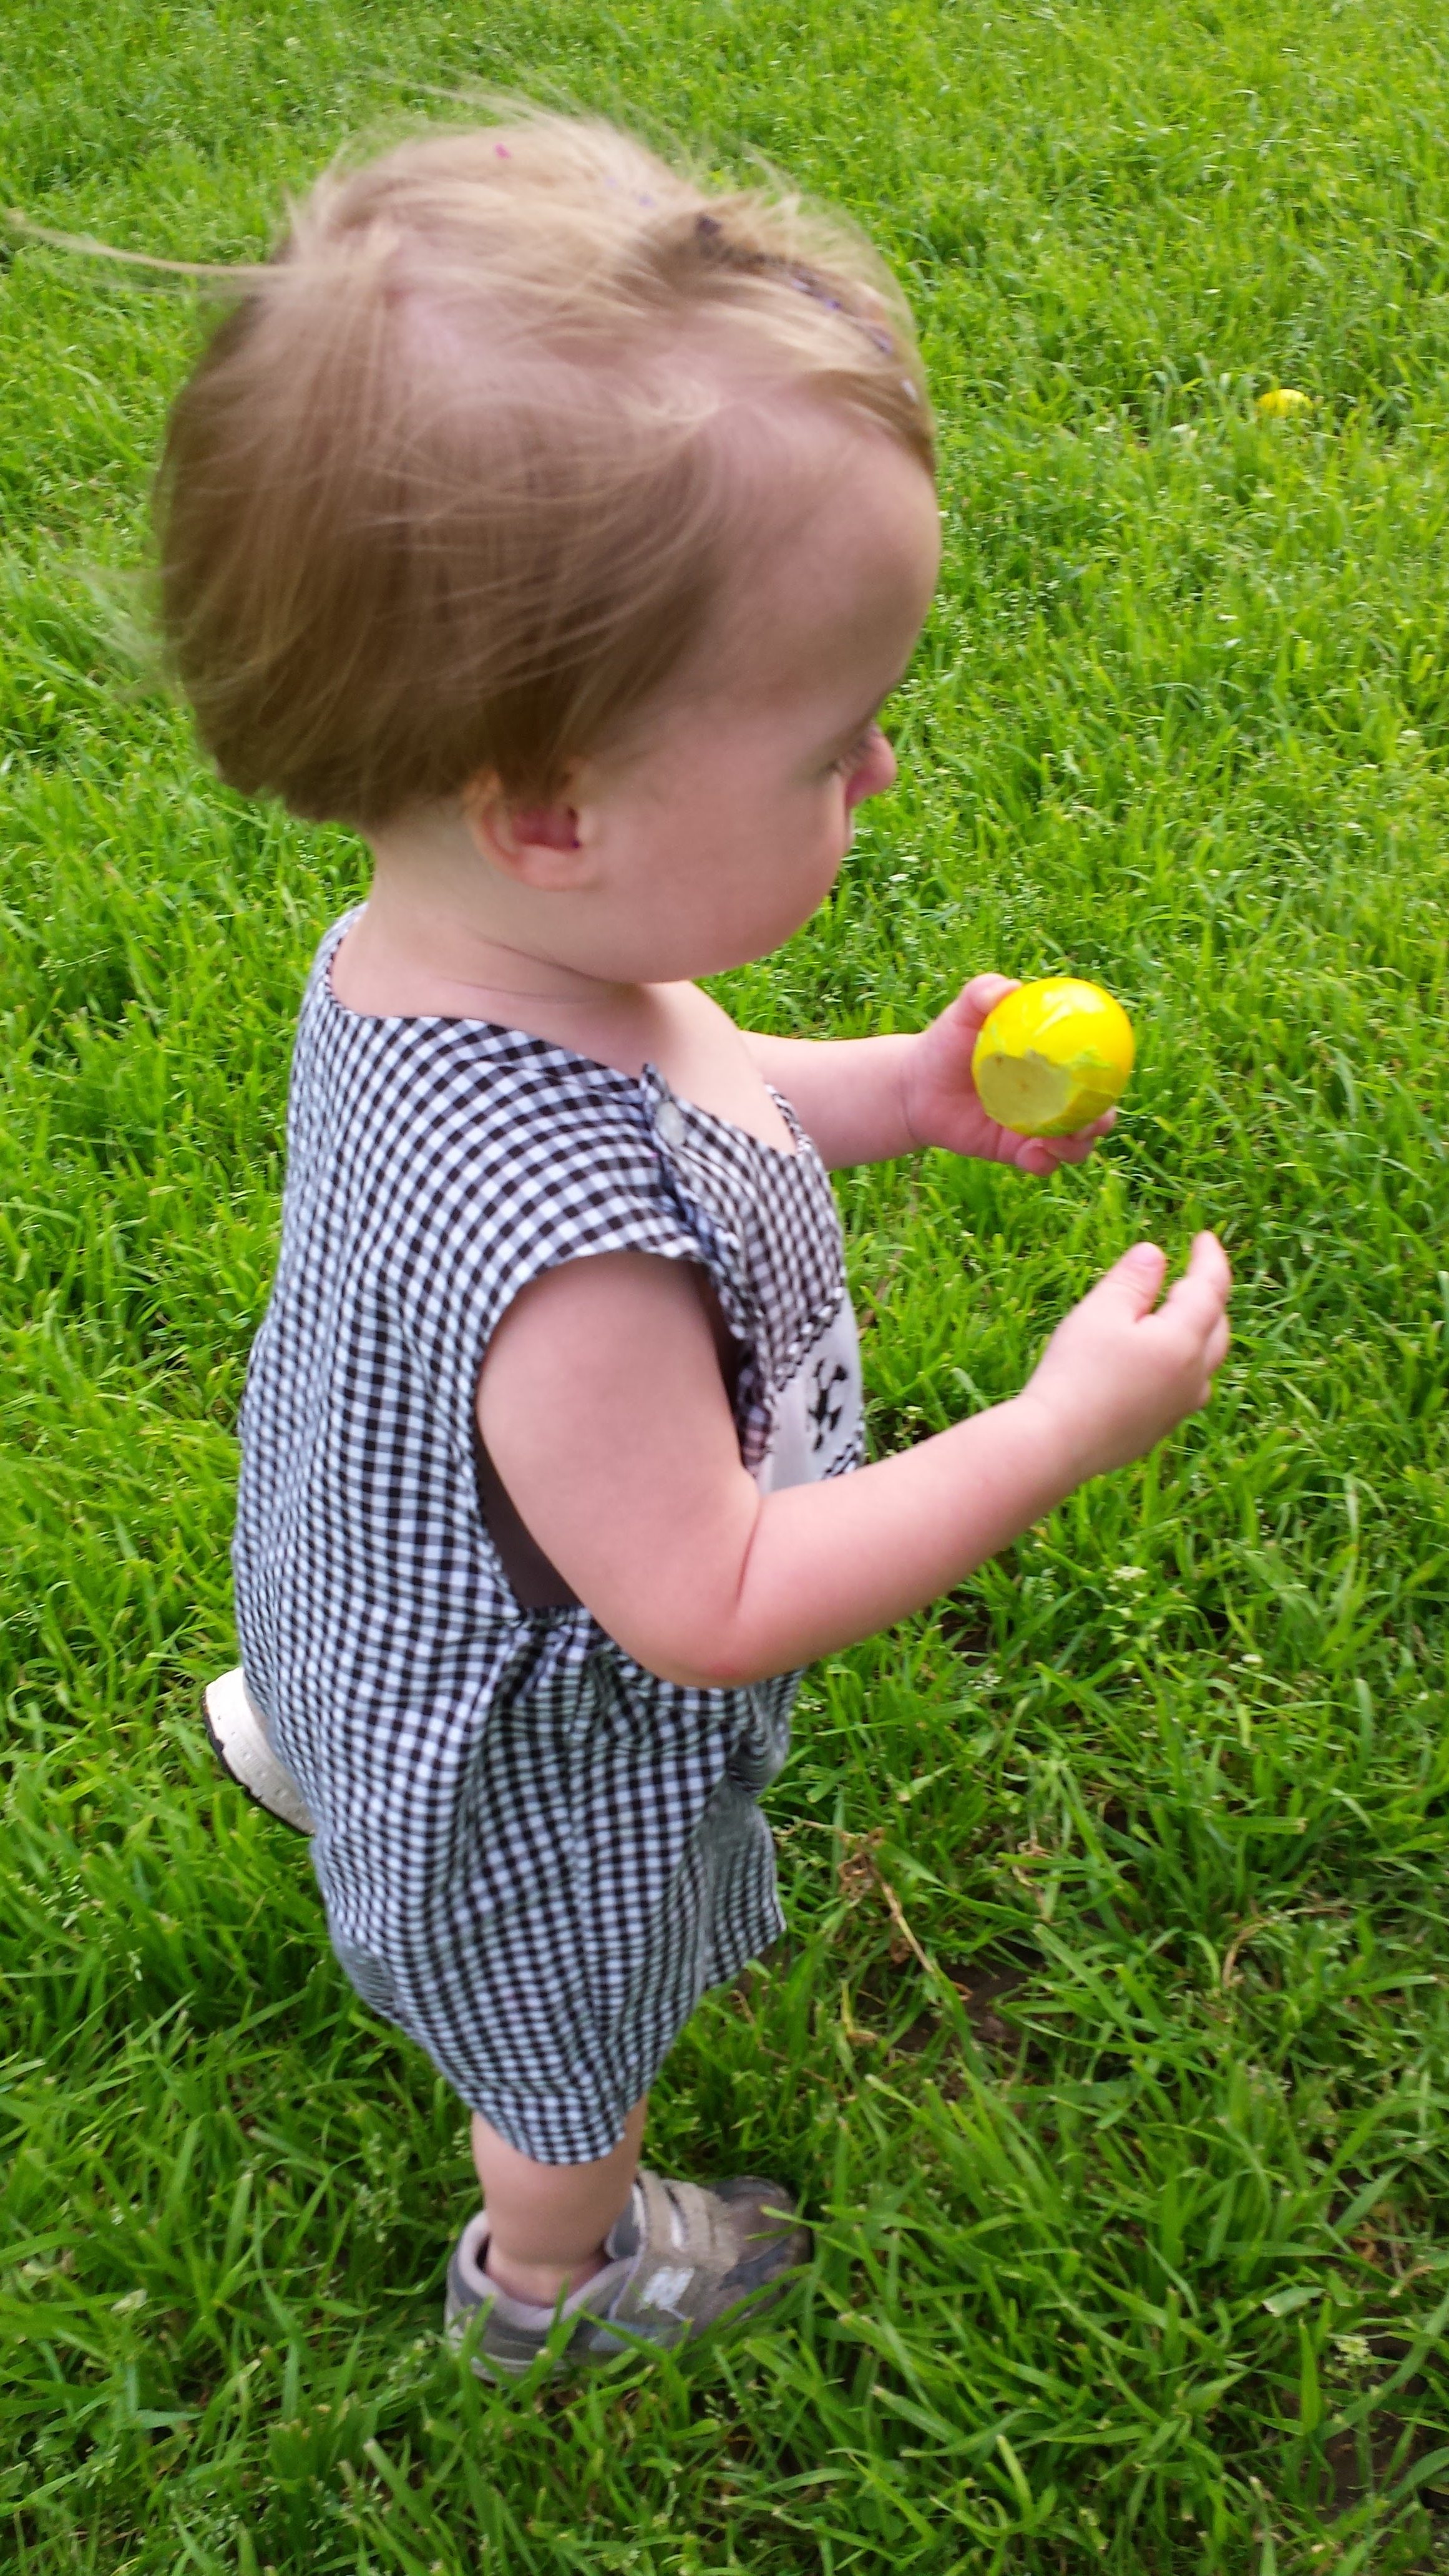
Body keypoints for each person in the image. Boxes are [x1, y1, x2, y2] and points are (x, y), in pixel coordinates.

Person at [177, 108, 1231, 2381]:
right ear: (553, 807)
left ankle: (325, 1746)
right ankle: (549, 2280)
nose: (879, 778)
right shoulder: (575, 1271)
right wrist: (1054, 1432)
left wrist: (895, 1096)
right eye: (832, 746)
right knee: (564, 2037)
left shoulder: (449, 953)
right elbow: (709, 1597)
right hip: (538, 1741)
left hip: (381, 1570)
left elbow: (704, 1084)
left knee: (374, 1692)